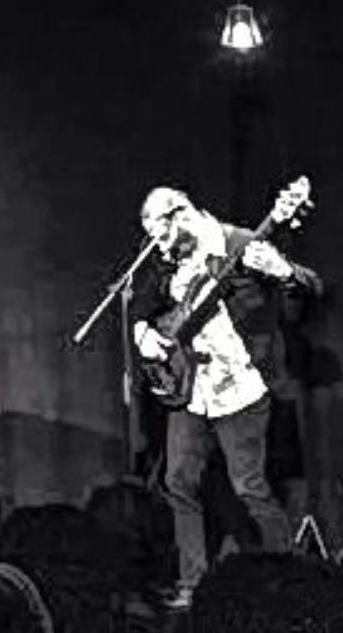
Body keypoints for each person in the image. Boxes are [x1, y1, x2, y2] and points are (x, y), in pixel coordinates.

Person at [126, 186, 322, 601]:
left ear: (181, 215)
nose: (162, 249)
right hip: (190, 388)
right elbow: (141, 303)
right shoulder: (165, 257)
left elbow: (313, 289)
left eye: (164, 236)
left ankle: (288, 578)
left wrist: (283, 271)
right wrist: (144, 334)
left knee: (248, 486)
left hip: (241, 388)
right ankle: (192, 583)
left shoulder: (240, 244)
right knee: (178, 481)